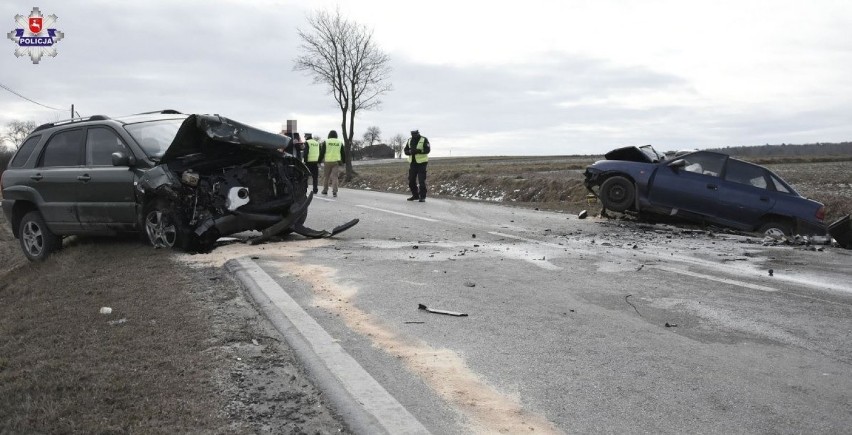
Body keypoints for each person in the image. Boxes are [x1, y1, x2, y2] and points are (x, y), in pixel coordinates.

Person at [403, 129, 430, 202]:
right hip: (413, 163)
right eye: (412, 134)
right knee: (411, 180)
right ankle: (415, 196)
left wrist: (418, 151)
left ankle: (422, 196)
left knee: (421, 180)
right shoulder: (409, 140)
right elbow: (405, 150)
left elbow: (427, 150)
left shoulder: (424, 139)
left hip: (422, 163)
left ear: (418, 133)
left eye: (415, 134)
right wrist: (409, 152)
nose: (414, 135)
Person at [320, 130, 346, 197]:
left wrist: (319, 161)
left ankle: (325, 190)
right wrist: (344, 162)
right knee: (335, 177)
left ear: (329, 135)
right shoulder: (340, 142)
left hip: (327, 161)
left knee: (326, 177)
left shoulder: (326, 142)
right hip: (336, 162)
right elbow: (343, 153)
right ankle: (335, 191)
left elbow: (322, 153)